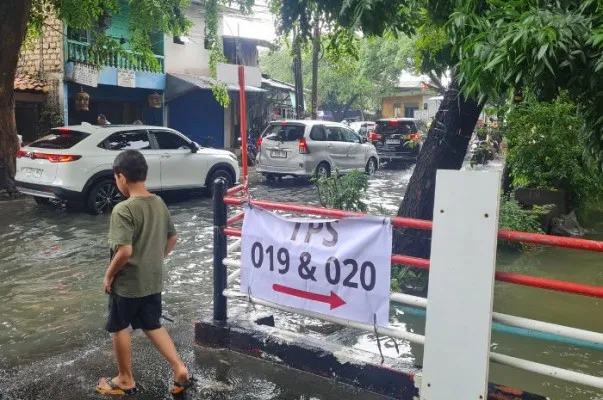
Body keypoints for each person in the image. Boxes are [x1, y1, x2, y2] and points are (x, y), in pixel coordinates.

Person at [95, 150, 192, 396]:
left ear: (121, 177)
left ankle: (126, 378)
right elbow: (173, 238)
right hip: (152, 280)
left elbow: (125, 251)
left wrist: (108, 275)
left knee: (119, 326)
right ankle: (179, 367)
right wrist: (157, 258)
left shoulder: (123, 209)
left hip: (127, 284)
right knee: (152, 324)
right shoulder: (158, 202)